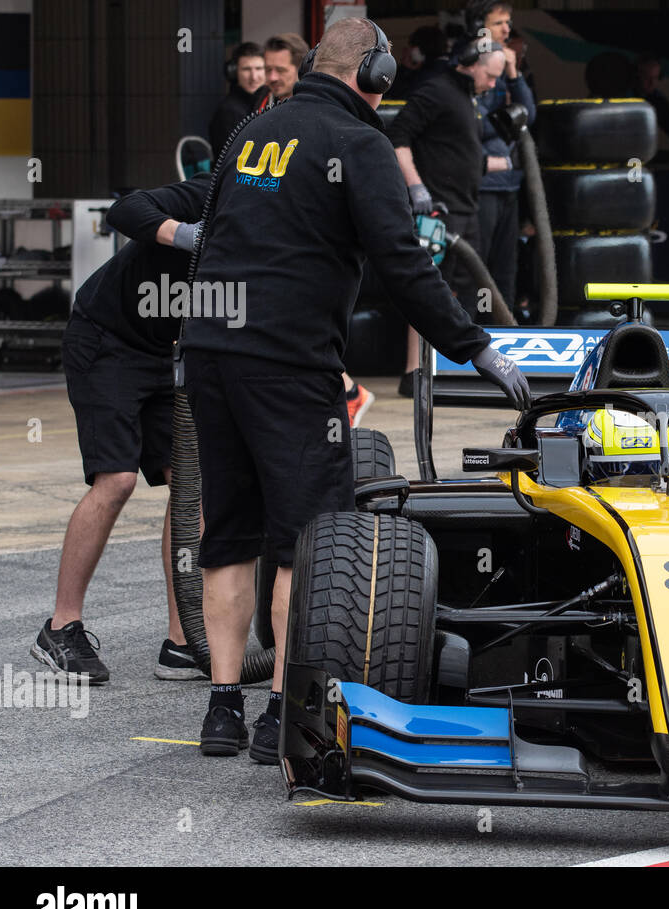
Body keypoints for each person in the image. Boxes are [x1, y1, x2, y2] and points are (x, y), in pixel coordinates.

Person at [180, 17, 528, 762]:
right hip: (287, 360)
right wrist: (475, 347)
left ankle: (219, 709)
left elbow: (214, 234)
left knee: (229, 531)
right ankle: (281, 713)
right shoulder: (359, 142)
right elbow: (402, 267)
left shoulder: (252, 131)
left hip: (208, 348)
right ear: (373, 74)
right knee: (305, 537)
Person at [30, 176, 210, 686]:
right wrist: (186, 235)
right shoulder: (212, 192)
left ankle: (182, 640)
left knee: (192, 485)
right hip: (104, 339)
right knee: (117, 480)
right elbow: (126, 208)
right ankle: (61, 627)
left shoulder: (277, 230)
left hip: (164, 352)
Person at [252, 32, 372, 423]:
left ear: (305, 68)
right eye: (266, 68)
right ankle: (348, 391)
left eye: (279, 69)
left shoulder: (332, 121)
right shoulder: (264, 109)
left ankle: (348, 392)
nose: (270, 76)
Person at [390, 35, 509, 395]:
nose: (492, 84)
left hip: (466, 210)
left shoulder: (468, 100)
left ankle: (449, 372)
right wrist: (416, 188)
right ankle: (414, 373)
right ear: (471, 63)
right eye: (489, 76)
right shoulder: (437, 90)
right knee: (429, 289)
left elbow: (456, 154)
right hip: (438, 211)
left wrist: (499, 162)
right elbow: (398, 136)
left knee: (465, 293)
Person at [468, 0, 535, 320]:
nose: (507, 29)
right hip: (479, 186)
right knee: (474, 269)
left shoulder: (505, 72)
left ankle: (505, 335)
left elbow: (527, 116)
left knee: (505, 269)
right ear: (480, 28)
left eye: (508, 22)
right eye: (499, 23)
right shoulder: (468, 65)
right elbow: (469, 126)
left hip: (509, 185)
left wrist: (512, 73)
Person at [209, 42, 268, 159]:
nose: (254, 77)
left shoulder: (268, 101)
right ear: (234, 73)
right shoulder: (228, 112)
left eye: (259, 68)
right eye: (246, 69)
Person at [389, 25, 449, 103]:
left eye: (412, 46)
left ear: (420, 49)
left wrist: (406, 69)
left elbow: (403, 99)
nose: (410, 51)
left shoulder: (426, 76)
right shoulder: (450, 68)